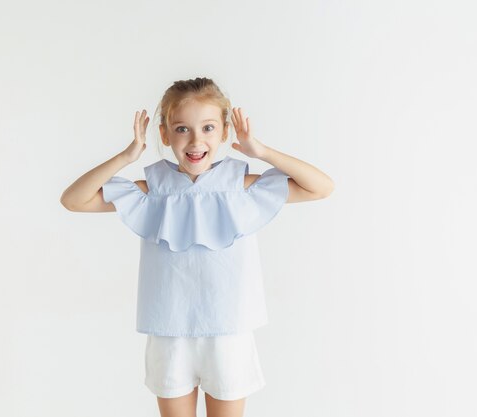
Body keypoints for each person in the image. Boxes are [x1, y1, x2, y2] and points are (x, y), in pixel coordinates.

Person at [60, 77, 334, 417]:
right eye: (181, 129)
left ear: (224, 132)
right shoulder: (153, 191)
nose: (195, 141)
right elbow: (73, 200)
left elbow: (321, 187)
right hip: (170, 333)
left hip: (228, 332)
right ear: (164, 134)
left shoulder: (240, 187)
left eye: (207, 128)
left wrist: (261, 151)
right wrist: (127, 156)